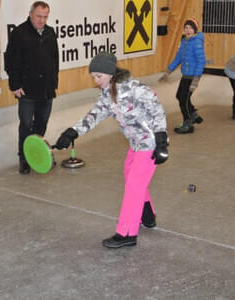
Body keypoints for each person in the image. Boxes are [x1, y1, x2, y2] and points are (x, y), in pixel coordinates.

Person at [55, 52, 169, 249]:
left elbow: (157, 111)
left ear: (110, 73)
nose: (95, 80)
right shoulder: (108, 93)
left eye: (98, 76)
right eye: (93, 76)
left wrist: (161, 142)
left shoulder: (136, 89)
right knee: (131, 177)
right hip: (135, 144)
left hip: (149, 143)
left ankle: (126, 233)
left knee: (134, 184)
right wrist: (72, 132)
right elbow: (95, 114)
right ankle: (147, 215)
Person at [4, 1, 59, 174]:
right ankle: (24, 158)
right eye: (38, 16)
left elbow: (54, 59)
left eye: (45, 17)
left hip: (46, 89)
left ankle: (38, 155)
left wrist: (53, 82)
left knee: (41, 124)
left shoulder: (50, 33)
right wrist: (15, 85)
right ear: (31, 14)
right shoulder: (19, 34)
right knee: (26, 125)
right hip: (26, 89)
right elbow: (11, 62)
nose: (42, 20)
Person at [159, 18, 206, 134]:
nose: (188, 30)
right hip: (185, 75)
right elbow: (178, 58)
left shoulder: (197, 42)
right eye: (186, 28)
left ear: (195, 30)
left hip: (193, 76)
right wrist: (168, 72)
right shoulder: (184, 41)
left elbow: (201, 61)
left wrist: (196, 80)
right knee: (180, 96)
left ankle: (188, 124)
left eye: (190, 28)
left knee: (183, 100)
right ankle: (193, 114)